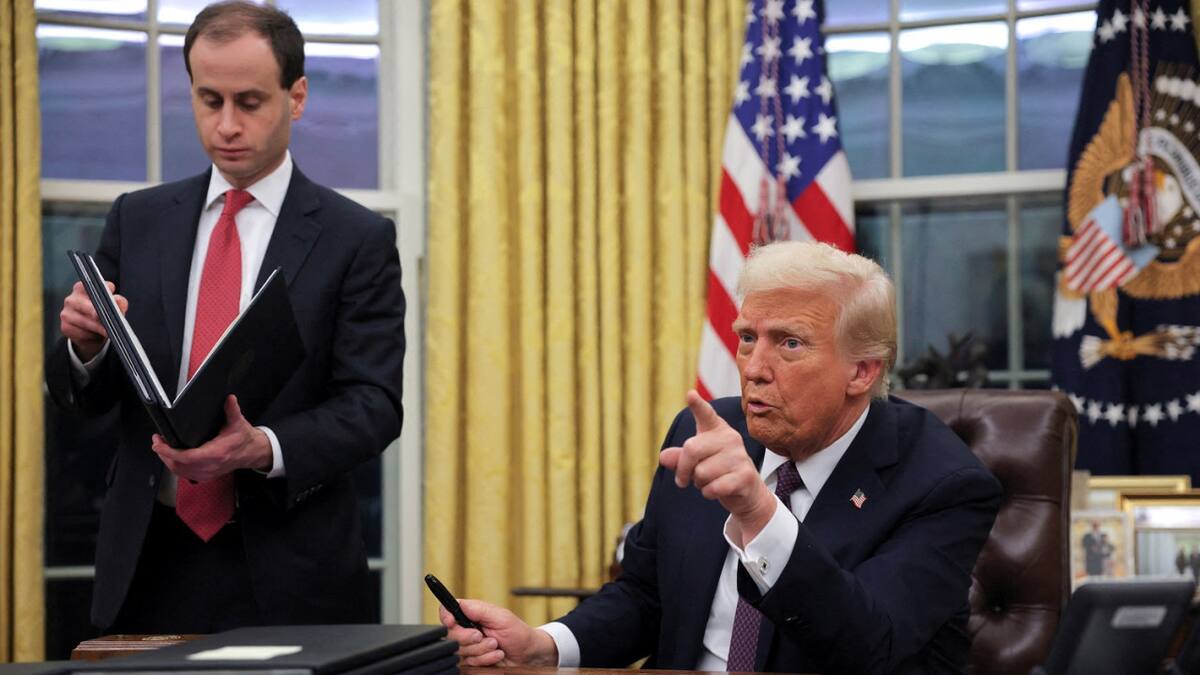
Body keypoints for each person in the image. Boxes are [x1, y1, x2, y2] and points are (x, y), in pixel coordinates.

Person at [441, 241, 1002, 674]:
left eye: (789, 343)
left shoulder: (943, 483)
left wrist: (758, 512)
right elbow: (645, 594)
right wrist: (545, 646)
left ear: (862, 371)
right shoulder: (708, 430)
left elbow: (868, 646)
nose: (754, 367)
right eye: (746, 337)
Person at [45, 0, 404, 633]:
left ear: (296, 97)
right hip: (147, 555)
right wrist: (85, 348)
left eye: (250, 102)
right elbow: (83, 400)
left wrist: (262, 448)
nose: (227, 125)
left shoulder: (357, 238)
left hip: (289, 562)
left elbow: (374, 405)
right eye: (210, 101)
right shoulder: (138, 219)